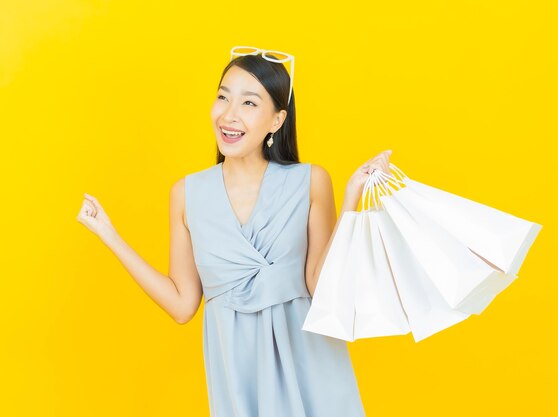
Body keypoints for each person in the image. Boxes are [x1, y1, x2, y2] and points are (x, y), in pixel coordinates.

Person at [77, 46, 392, 417]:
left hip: (311, 369)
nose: (229, 114)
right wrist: (109, 234)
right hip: (237, 380)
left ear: (277, 120)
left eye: (248, 103)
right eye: (223, 97)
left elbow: (318, 286)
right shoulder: (186, 194)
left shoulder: (310, 182)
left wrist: (352, 200)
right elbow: (182, 306)